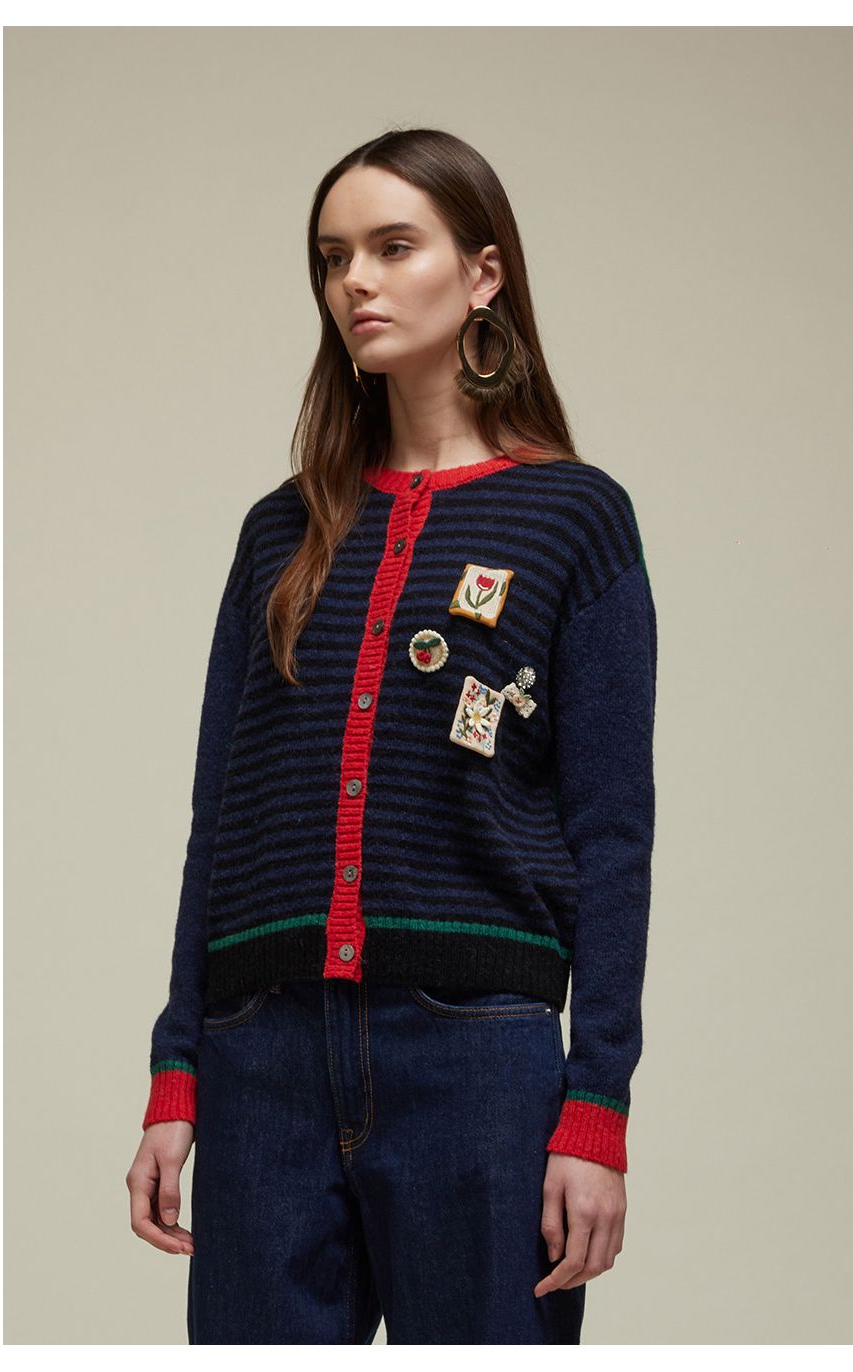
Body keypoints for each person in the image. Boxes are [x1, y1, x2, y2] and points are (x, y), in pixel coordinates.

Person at [124, 127, 658, 1345]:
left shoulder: (575, 519)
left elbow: (613, 835)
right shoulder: (280, 532)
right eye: (333, 256)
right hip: (263, 1056)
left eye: (392, 246)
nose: (354, 280)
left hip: (476, 1057)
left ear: (483, 273)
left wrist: (596, 1106)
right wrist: (177, 1070)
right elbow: (223, 820)